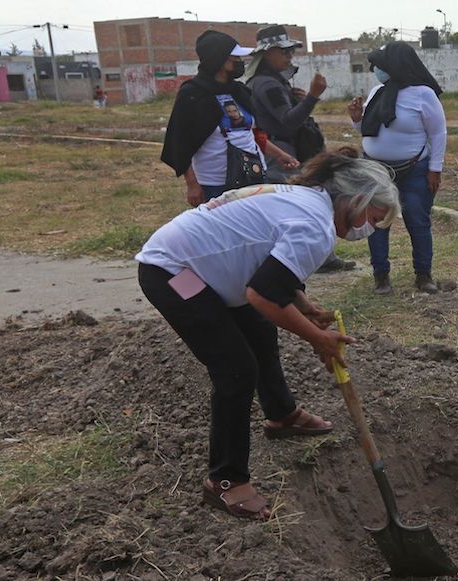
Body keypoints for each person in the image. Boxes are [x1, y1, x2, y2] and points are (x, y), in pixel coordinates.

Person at [137, 147, 400, 520]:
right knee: (236, 369)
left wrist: (304, 307)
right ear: (356, 201)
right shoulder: (316, 227)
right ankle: (225, 481)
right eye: (373, 218)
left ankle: (282, 414)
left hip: (199, 267)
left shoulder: (309, 201)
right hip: (172, 271)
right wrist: (316, 337)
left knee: (259, 332)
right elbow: (261, 295)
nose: (368, 229)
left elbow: (272, 269)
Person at [245, 24, 353, 273]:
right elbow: (288, 121)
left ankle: (319, 257)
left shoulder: (268, 82)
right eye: (284, 52)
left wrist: (300, 99)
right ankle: (314, 259)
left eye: (290, 51)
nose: (289, 56)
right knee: (301, 204)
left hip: (282, 151)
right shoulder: (268, 85)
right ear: (267, 54)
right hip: (282, 155)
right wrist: (313, 97)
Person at [348, 41, 447, 295]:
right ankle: (381, 275)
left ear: (395, 65)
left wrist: (435, 169)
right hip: (376, 170)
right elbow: (370, 130)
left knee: (417, 220)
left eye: (379, 64)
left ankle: (423, 275)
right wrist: (357, 119)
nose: (375, 69)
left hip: (413, 171)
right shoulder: (377, 92)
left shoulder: (423, 94)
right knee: (377, 223)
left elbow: (438, 133)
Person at [160, 30, 299, 207]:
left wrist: (280, 155)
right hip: (215, 184)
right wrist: (192, 184)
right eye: (236, 57)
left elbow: (253, 133)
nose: (240, 63)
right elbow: (179, 142)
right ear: (219, 59)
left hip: (253, 177)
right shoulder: (193, 94)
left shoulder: (239, 92)